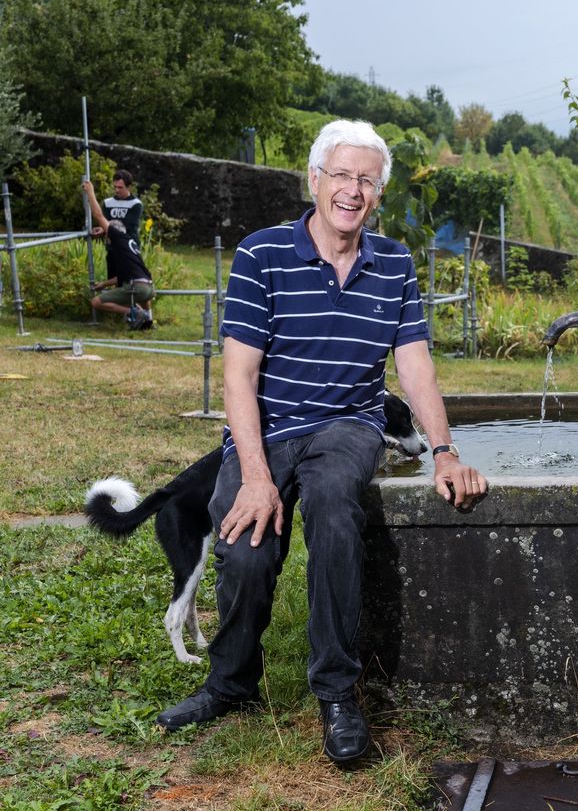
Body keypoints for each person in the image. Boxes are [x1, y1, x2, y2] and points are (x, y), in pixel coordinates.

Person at [155, 119, 488, 766]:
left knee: (335, 506)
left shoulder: (393, 264)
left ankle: (337, 692)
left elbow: (414, 365)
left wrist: (443, 450)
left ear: (378, 193)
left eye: (367, 179)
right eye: (341, 175)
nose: (353, 190)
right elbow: (239, 375)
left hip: (347, 423)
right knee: (247, 548)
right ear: (314, 181)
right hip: (269, 425)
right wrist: (254, 473)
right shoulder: (261, 255)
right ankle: (231, 682)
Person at [82, 180, 154, 329]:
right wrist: (103, 284)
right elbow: (124, 275)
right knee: (134, 293)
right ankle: (147, 320)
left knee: (95, 302)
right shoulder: (130, 244)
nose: (105, 235)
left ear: (112, 233)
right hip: (149, 289)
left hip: (137, 289)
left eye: (106, 233)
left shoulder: (118, 239)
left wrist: (90, 192)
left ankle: (133, 313)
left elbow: (98, 215)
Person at [103, 169, 143, 240]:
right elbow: (104, 224)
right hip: (112, 245)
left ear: (129, 187)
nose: (117, 190)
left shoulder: (136, 204)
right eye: (115, 187)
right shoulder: (107, 203)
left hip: (129, 245)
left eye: (120, 187)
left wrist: (109, 224)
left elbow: (128, 227)